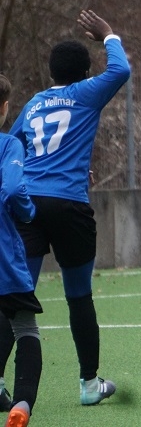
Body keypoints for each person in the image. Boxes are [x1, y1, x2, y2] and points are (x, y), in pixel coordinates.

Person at [0, 9, 130, 406]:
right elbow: (120, 70)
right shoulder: (87, 93)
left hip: (30, 206)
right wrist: (108, 34)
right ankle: (89, 385)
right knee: (79, 295)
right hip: (70, 205)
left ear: (51, 72)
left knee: (15, 297)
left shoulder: (34, 104)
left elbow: (14, 145)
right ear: (85, 73)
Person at [0, 75, 43, 427]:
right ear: (4, 108)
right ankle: (22, 405)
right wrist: (28, 212)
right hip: (4, 257)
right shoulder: (8, 145)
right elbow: (14, 190)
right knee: (25, 328)